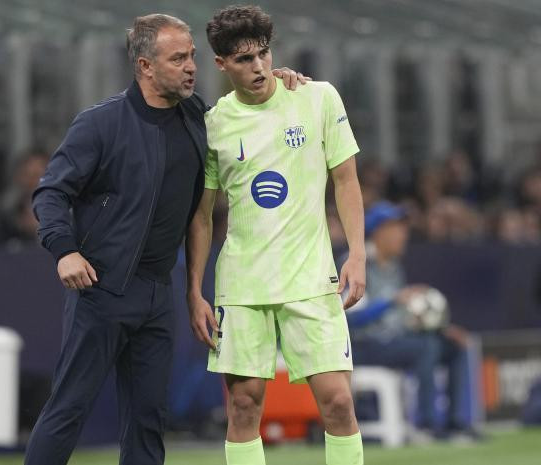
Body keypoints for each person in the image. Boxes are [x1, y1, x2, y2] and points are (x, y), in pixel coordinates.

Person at [28, 14, 305, 464]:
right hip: (100, 287)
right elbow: (50, 193)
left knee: (148, 420)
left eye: (192, 56)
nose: (191, 67)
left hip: (158, 292)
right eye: (178, 59)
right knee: (69, 408)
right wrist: (65, 251)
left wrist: (276, 84)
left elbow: (245, 119)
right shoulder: (100, 123)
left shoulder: (198, 117)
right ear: (145, 66)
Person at [185, 6, 365, 465]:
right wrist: (194, 290)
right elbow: (201, 216)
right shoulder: (214, 125)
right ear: (221, 64)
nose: (260, 67)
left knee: (339, 402)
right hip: (244, 285)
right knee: (243, 407)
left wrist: (358, 254)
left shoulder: (318, 98)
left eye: (264, 54)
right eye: (244, 59)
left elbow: (346, 180)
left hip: (312, 278)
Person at [347, 201, 476, 440]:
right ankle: (426, 426)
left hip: (392, 342)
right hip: (362, 346)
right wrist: (391, 301)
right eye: (397, 228)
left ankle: (457, 423)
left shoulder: (393, 268)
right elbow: (349, 318)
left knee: (453, 346)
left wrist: (439, 329)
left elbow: (398, 320)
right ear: (378, 232)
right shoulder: (354, 263)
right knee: (426, 347)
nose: (403, 235)